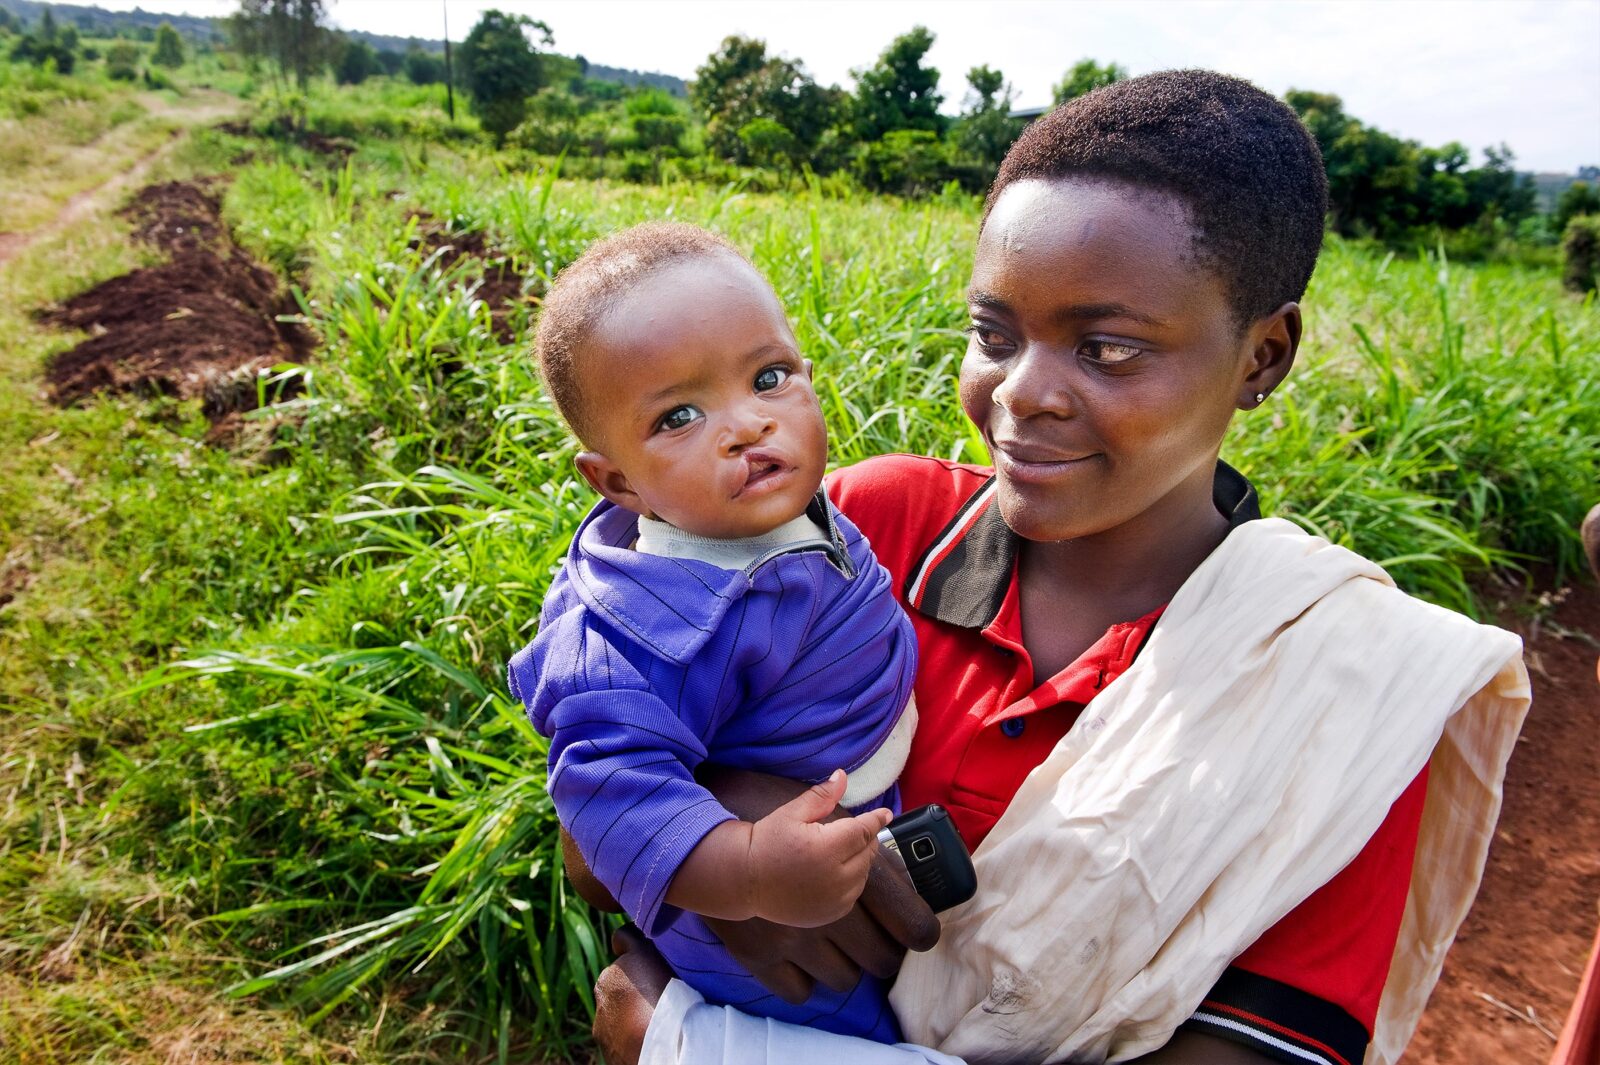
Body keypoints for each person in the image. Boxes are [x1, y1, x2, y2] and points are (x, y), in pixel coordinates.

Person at [581, 70, 1530, 1065]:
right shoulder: (858, 535)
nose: (1021, 393)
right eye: (993, 334)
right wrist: (732, 829)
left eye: (1107, 348)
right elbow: (591, 829)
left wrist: (688, 1042)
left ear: (1262, 357)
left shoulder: (1337, 679)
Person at [507, 222, 921, 1043]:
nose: (746, 426)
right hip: (763, 929)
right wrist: (753, 871)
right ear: (616, 479)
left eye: (770, 378)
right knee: (849, 1033)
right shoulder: (639, 630)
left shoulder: (776, 513)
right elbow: (606, 795)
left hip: (853, 836)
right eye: (679, 417)